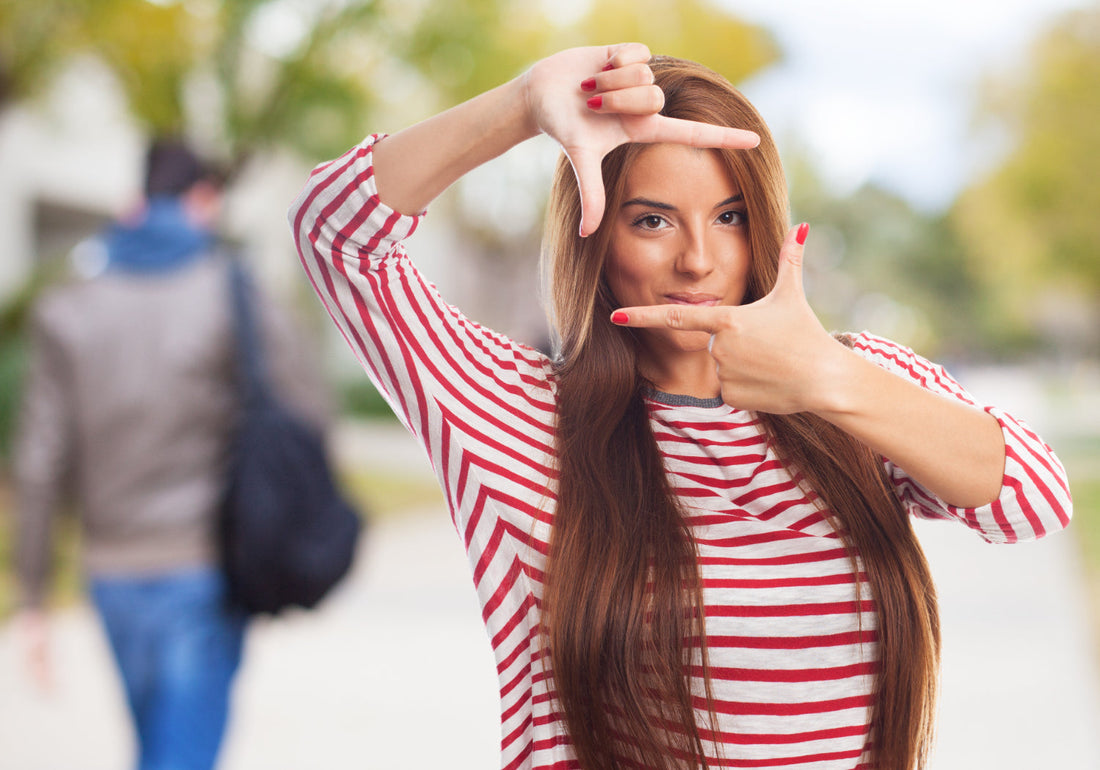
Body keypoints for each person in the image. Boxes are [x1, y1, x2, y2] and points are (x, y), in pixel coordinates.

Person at [289, 44, 1072, 770]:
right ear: (596, 234)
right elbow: (336, 236)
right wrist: (525, 104)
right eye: (653, 220)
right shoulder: (521, 419)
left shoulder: (851, 383)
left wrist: (827, 381)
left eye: (729, 217)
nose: (698, 259)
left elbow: (1033, 500)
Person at [14, 139, 328, 770]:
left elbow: (38, 462)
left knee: (159, 748)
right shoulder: (233, 293)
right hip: (204, 568)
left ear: (135, 203)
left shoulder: (68, 307)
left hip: (109, 575)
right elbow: (309, 411)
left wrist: (32, 597)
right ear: (203, 200)